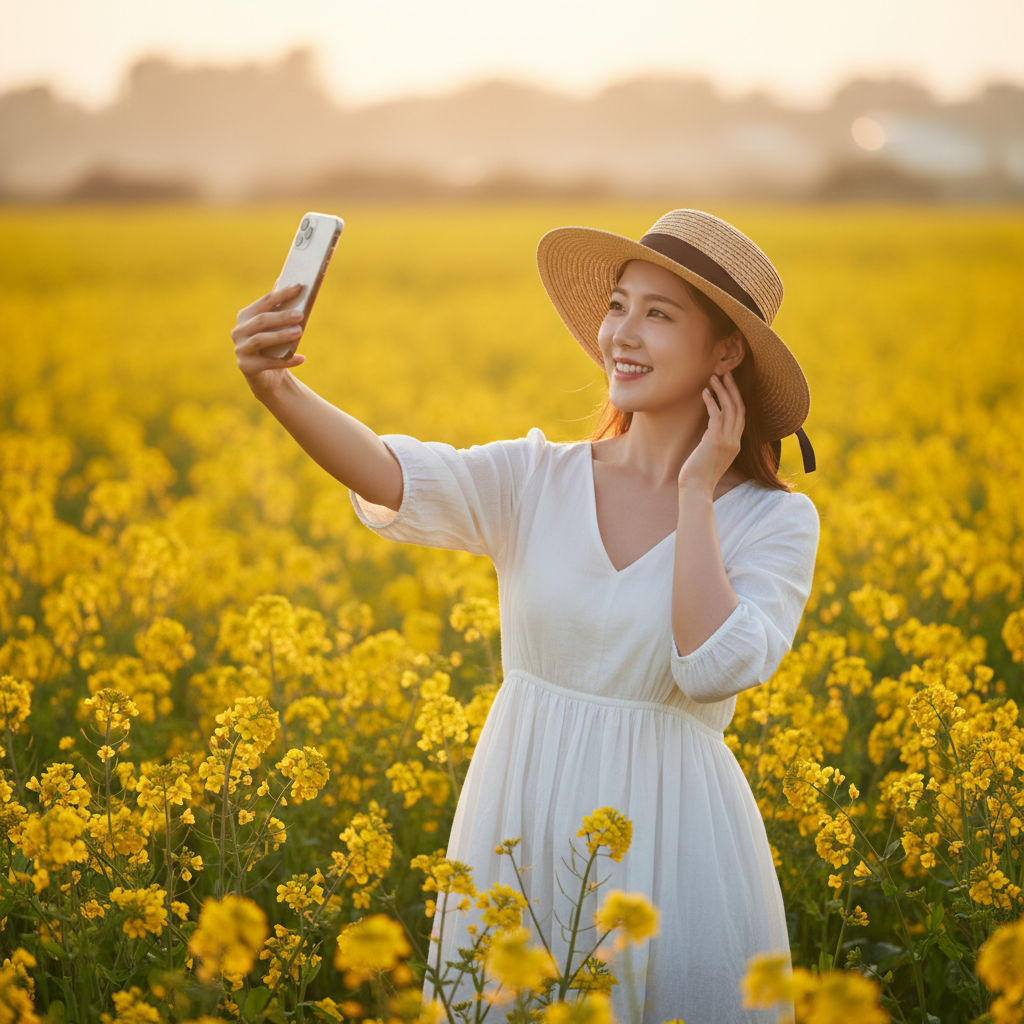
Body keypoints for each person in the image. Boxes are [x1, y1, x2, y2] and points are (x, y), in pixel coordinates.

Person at [232, 208, 820, 1023]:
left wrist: (696, 492)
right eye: (617, 306)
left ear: (726, 353)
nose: (622, 334)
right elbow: (394, 475)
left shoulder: (774, 520)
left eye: (658, 314)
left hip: (673, 841)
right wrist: (277, 386)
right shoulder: (538, 478)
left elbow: (712, 666)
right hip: (520, 817)